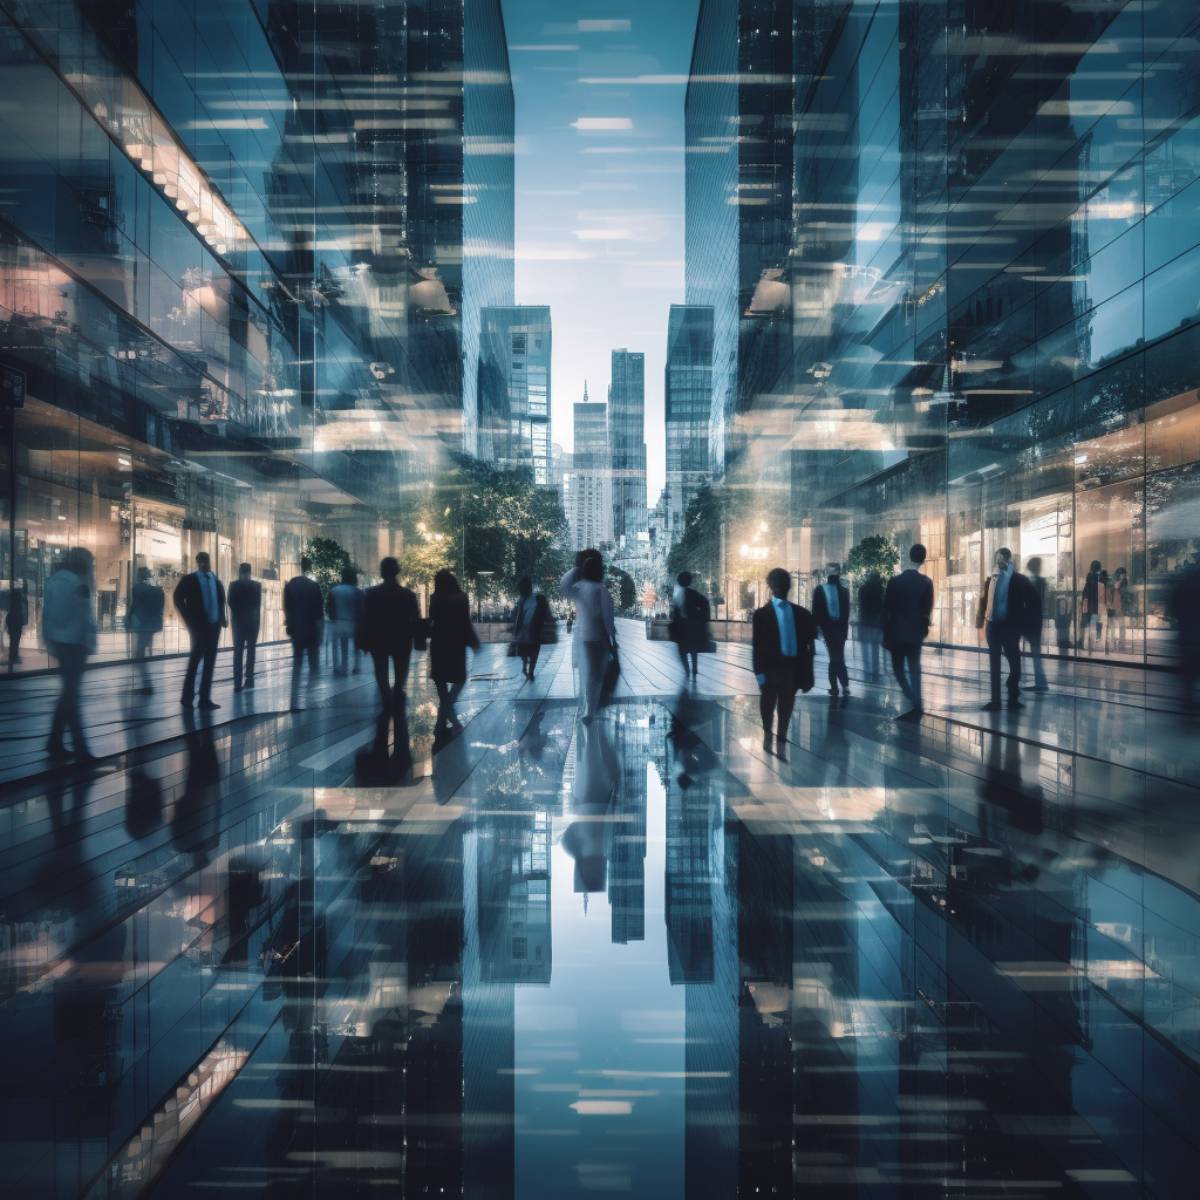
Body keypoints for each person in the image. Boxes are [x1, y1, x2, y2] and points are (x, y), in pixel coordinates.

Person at [751, 567, 816, 758]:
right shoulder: (761, 615)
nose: (782, 587)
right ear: (771, 587)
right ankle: (767, 732)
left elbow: (809, 649)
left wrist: (807, 675)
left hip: (792, 666)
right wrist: (759, 673)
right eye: (778, 584)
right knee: (768, 702)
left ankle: (782, 735)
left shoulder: (802, 614)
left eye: (784, 583)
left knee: (787, 703)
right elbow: (758, 647)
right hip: (771, 667)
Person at [43, 548, 97, 761]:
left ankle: (55, 742)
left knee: (68, 694)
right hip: (76, 643)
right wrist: (90, 643)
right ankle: (80, 747)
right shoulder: (80, 583)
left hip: (58, 641)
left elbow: (46, 613)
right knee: (71, 696)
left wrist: (48, 640)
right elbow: (85, 616)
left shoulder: (53, 580)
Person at [975, 547, 1039, 712]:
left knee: (1015, 665)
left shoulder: (1018, 580)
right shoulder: (991, 580)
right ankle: (995, 701)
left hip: (1010, 627)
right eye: (997, 559)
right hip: (994, 627)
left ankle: (1012, 696)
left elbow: (1034, 600)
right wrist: (981, 621)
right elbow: (984, 601)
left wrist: (1024, 622)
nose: (998, 562)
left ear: (1009, 560)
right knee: (994, 665)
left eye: (1001, 559)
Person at [360, 556, 423, 714]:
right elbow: (415, 619)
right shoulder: (408, 595)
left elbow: (366, 619)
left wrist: (364, 641)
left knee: (381, 672)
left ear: (382, 573)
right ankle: (397, 693)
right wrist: (418, 640)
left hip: (379, 639)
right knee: (401, 670)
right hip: (401, 639)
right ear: (397, 572)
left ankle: (386, 699)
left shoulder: (371, 594)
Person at [560, 550, 616, 724]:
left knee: (589, 673)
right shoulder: (601, 589)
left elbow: (564, 586)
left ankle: (588, 708)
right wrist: (612, 638)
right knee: (597, 675)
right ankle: (590, 709)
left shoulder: (579, 588)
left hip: (585, 637)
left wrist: (576, 569)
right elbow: (607, 617)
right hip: (599, 637)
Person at [882, 543, 934, 721]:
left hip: (897, 634)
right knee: (914, 669)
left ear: (908, 557)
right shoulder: (926, 583)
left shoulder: (895, 582)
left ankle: (911, 696)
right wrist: (922, 629)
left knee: (898, 670)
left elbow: (887, 609)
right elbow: (927, 610)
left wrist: (886, 633)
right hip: (915, 635)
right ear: (923, 560)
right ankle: (918, 703)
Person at [428, 569, 479, 738]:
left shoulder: (435, 598)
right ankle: (449, 721)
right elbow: (465, 621)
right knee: (460, 680)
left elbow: (432, 618)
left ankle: (442, 721)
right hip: (456, 644)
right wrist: (473, 641)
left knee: (441, 685)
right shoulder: (462, 597)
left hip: (439, 644)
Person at [174, 551, 227, 710]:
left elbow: (220, 599)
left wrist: (222, 618)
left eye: (206, 560)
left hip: (213, 625)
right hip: (199, 626)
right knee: (195, 660)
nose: (205, 563)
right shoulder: (190, 580)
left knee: (210, 661)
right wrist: (188, 619)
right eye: (201, 561)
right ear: (197, 563)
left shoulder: (215, 580)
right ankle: (187, 697)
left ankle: (205, 699)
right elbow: (177, 598)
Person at [283, 556, 324, 712]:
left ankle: (294, 703)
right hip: (312, 632)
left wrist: (289, 624)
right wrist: (321, 635)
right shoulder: (314, 586)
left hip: (297, 631)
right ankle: (309, 698)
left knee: (297, 667)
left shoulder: (291, 584)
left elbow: (287, 608)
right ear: (311, 566)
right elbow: (319, 614)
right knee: (314, 667)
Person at [812, 562, 851, 700]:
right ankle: (843, 685)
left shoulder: (844, 591)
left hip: (838, 629)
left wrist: (845, 632)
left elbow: (846, 613)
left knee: (836, 657)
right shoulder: (821, 590)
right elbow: (816, 611)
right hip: (828, 629)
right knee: (837, 657)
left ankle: (836, 686)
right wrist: (817, 630)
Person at [1169, 550, 1200, 714]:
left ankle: (1187, 710)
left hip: (1187, 637)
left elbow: (1174, 610)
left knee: (1188, 680)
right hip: (1193, 637)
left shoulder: (1182, 584)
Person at [668, 570, 712, 681]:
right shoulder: (686, 594)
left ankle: (690, 671)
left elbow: (704, 603)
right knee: (690, 650)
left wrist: (701, 618)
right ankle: (691, 670)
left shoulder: (685, 594)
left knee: (686, 650)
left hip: (688, 627)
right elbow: (704, 603)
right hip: (685, 627)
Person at [128, 567, 164, 693]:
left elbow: (135, 605)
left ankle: (147, 685)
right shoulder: (155, 589)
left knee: (139, 655)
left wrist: (128, 619)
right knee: (141, 653)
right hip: (151, 624)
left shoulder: (137, 588)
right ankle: (146, 683)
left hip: (142, 624)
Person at [226, 562, 262, 691]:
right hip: (252, 623)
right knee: (251, 652)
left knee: (238, 652)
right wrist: (257, 622)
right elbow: (257, 605)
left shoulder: (233, 585)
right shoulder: (257, 586)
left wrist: (239, 615)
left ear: (239, 572)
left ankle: (237, 683)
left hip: (238, 623)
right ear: (250, 572)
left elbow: (230, 602)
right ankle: (250, 679)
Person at [327, 566, 364, 675]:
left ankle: (339, 668)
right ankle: (356, 667)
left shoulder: (334, 590)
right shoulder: (357, 591)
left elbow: (328, 607)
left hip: (338, 622)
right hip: (353, 623)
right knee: (356, 646)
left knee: (339, 646)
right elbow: (361, 608)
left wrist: (332, 617)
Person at [511, 575, 550, 681]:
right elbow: (518, 616)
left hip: (535, 629)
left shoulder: (538, 598)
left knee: (534, 652)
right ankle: (525, 666)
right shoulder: (521, 600)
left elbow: (544, 613)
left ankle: (531, 672)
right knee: (523, 651)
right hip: (524, 630)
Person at [1024, 556, 1049, 691]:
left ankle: (1041, 683)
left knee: (1036, 652)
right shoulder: (1038, 581)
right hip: (1035, 621)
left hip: (1033, 622)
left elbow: (1036, 603)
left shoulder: (1036, 582)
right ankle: (1041, 682)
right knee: (1036, 652)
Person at [857, 570, 884, 680]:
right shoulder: (879, 589)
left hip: (864, 621)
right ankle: (875, 671)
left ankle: (867, 669)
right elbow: (881, 606)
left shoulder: (863, 589)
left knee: (865, 647)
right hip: (875, 622)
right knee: (875, 647)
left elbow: (860, 603)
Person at [1081, 560, 1104, 650]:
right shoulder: (1098, 578)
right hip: (1095, 604)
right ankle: (1092, 643)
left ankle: (1087, 643)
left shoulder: (1089, 577)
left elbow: (1086, 591)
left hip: (1088, 603)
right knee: (1094, 624)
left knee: (1088, 624)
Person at [6, 583, 28, 668]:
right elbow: (20, 615)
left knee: (13, 641)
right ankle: (14, 657)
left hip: (12, 624)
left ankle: (13, 656)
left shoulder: (12, 604)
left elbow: (9, 617)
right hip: (16, 624)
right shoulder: (18, 605)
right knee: (15, 641)